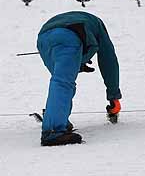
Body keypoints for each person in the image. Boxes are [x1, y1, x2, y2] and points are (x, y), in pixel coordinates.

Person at [36, 11, 121, 146]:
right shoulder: (98, 25)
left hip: (43, 39)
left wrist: (78, 63)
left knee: (60, 81)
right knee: (63, 83)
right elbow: (108, 60)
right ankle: (53, 131)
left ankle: (56, 117)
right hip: (69, 35)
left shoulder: (83, 20)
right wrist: (113, 95)